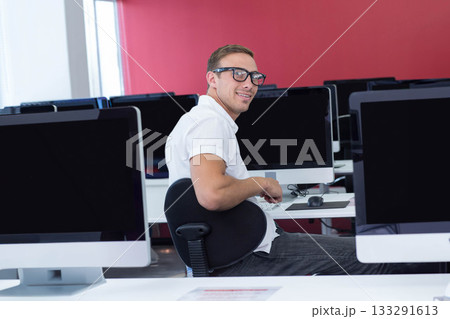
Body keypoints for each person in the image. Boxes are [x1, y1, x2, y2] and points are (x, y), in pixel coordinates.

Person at [165, 44, 438, 276]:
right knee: (376, 256)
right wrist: (260, 183)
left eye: (254, 76)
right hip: (249, 257)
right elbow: (212, 194)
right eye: (237, 75)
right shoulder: (209, 124)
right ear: (212, 79)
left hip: (233, 250)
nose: (249, 83)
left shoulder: (193, 121)